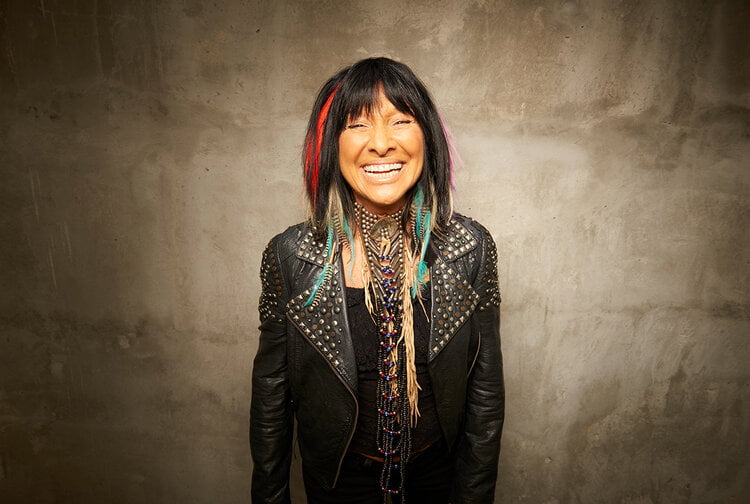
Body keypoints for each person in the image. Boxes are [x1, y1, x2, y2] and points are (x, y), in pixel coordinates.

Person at [250, 57, 504, 504]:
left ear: (427, 136)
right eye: (357, 125)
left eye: (400, 121)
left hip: (440, 478)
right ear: (331, 144)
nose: (382, 144)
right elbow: (272, 395)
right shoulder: (290, 256)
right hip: (338, 483)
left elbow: (485, 394)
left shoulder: (471, 247)